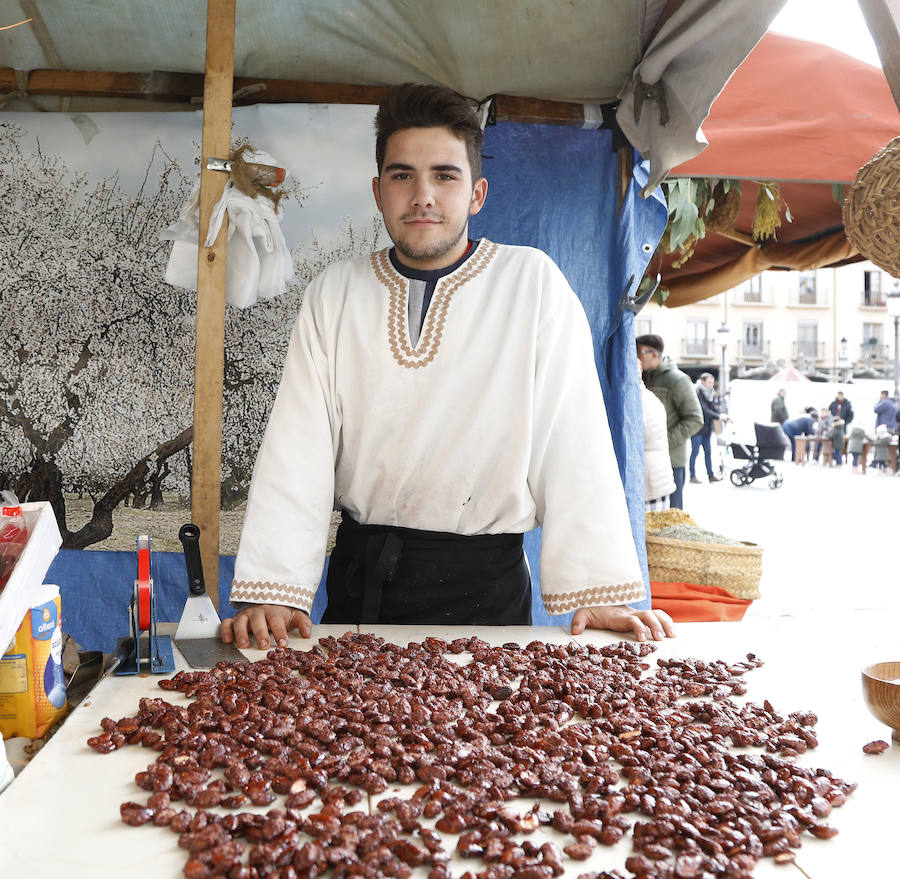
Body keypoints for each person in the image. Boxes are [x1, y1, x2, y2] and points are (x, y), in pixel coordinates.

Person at [222, 83, 675, 650]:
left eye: (445, 175)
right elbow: (298, 446)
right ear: (378, 191)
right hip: (364, 580)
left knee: (478, 731)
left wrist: (595, 590)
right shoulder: (333, 294)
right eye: (402, 175)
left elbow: (572, 433)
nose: (422, 196)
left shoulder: (531, 283)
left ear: (477, 193)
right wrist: (277, 590)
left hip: (485, 586)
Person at [636, 334, 703, 509]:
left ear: (654, 354)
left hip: (671, 463)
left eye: (639, 352)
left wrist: (665, 441)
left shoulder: (678, 380)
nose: (635, 356)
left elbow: (695, 419)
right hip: (646, 463)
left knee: (671, 519)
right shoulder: (643, 378)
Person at [639, 357, 676, 510]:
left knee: (649, 530)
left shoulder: (637, 401)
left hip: (650, 481)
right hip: (658, 477)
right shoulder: (649, 397)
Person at [689, 373, 721, 484]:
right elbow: (704, 410)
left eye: (712, 382)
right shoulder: (697, 392)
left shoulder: (710, 394)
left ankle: (710, 475)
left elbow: (713, 408)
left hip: (707, 429)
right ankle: (692, 476)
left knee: (708, 452)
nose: (711, 385)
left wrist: (722, 415)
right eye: (709, 382)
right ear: (702, 381)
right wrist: (718, 416)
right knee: (695, 452)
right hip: (697, 429)